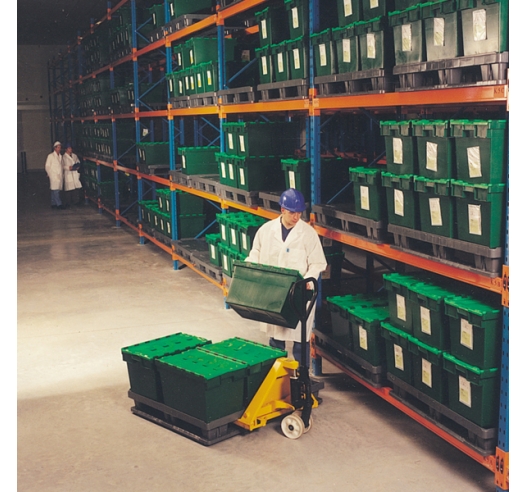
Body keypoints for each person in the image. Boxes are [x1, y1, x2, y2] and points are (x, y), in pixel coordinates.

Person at [245, 188, 327, 362]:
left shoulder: (308, 234)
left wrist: (308, 280)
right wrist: (250, 266)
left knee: (300, 339)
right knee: (276, 338)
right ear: (282, 210)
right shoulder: (266, 230)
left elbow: (318, 263)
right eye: (292, 213)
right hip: (274, 291)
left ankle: (302, 378)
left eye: (299, 213)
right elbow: (256, 252)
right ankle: (277, 376)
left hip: (298, 293)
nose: (296, 217)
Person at [45, 141, 64, 209]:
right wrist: (49, 173)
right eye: (58, 147)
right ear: (55, 148)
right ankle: (59, 204)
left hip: (59, 175)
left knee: (54, 190)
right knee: (56, 190)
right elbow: (47, 166)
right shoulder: (50, 156)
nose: (59, 149)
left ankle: (53, 203)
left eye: (60, 147)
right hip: (53, 175)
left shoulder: (61, 156)